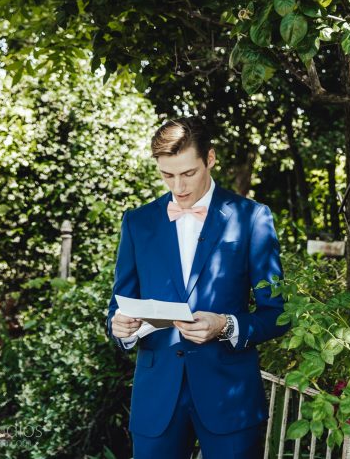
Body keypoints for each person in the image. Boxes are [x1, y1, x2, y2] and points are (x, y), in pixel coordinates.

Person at [105, 117, 290, 459]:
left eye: (188, 173)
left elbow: (278, 314)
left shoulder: (252, 218)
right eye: (167, 175)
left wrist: (226, 325)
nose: (178, 186)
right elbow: (118, 307)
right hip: (156, 400)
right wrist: (121, 327)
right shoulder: (137, 222)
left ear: (210, 158)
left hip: (230, 399)